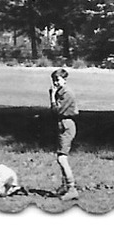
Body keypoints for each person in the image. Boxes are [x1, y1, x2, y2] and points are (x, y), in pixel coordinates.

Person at [49, 68, 79, 200]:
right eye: (54, 80)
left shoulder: (67, 93)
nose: (55, 83)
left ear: (64, 79)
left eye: (58, 80)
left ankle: (72, 188)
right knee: (60, 155)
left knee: (62, 157)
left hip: (66, 125)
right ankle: (65, 186)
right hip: (62, 124)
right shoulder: (60, 92)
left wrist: (51, 97)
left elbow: (57, 111)